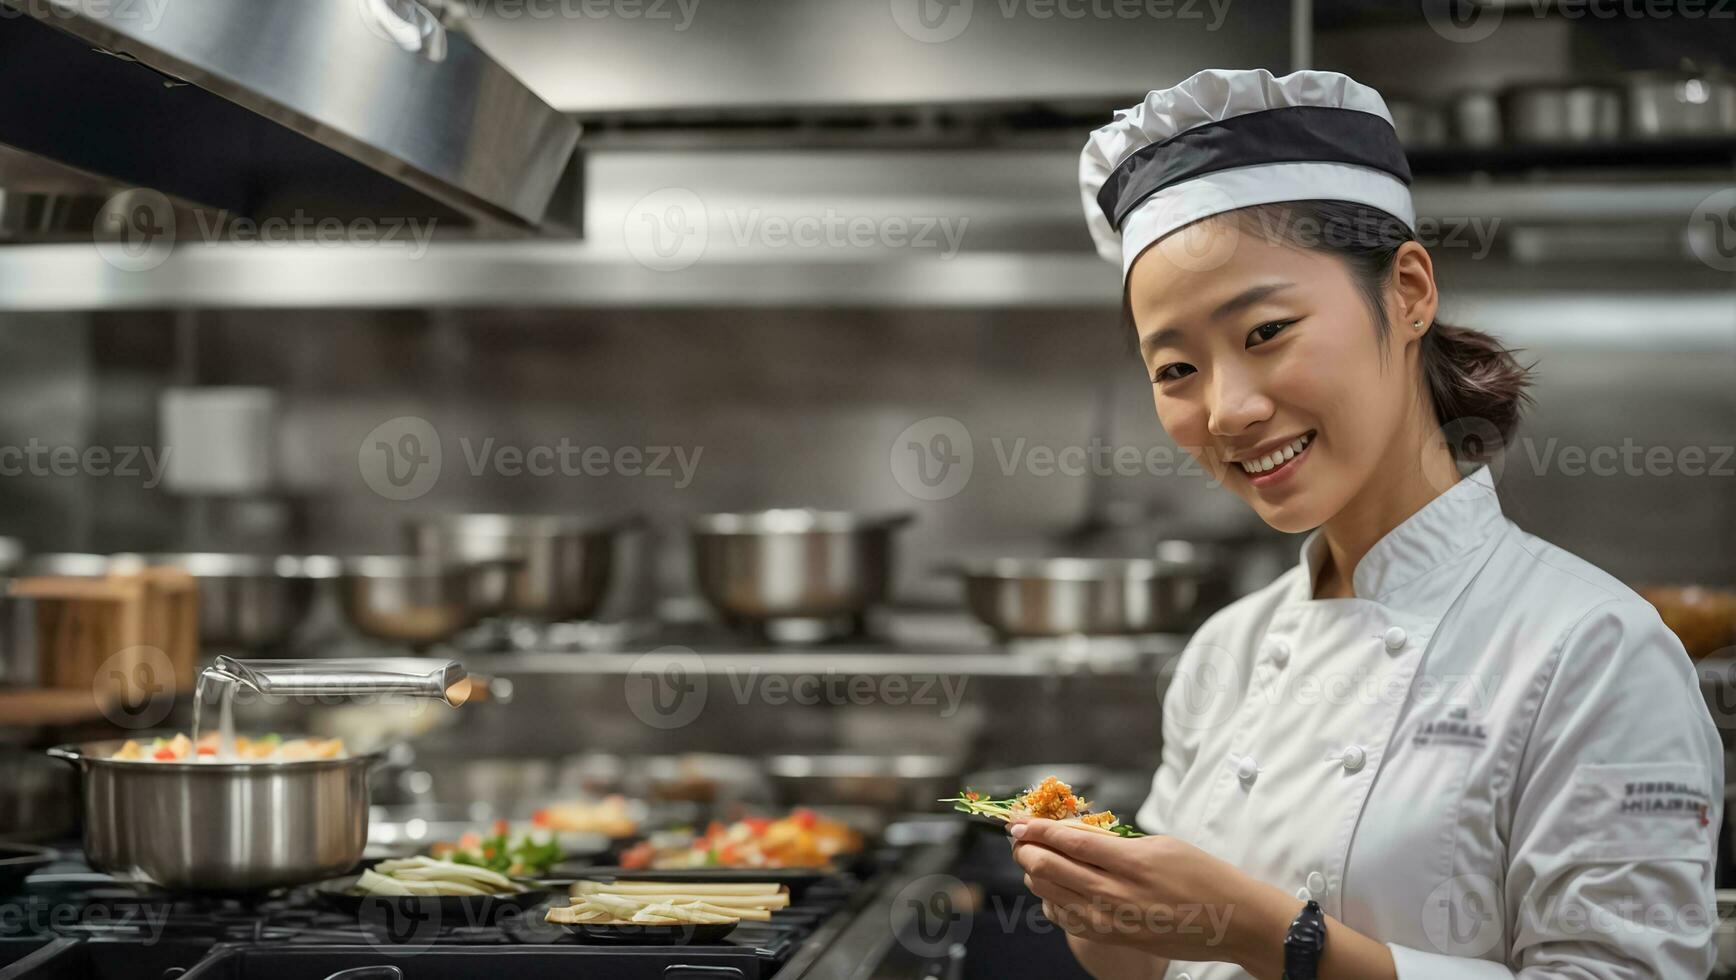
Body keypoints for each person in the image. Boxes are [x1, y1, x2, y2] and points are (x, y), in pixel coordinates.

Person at [1008, 67, 1723, 980]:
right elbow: (1168, 965)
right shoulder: (1227, 649)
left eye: (1266, 331)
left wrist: (1273, 936)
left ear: (1410, 290)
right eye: (1175, 369)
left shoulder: (1593, 652)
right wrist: (1107, 917)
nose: (1227, 410)